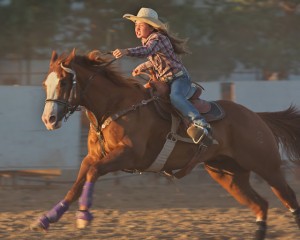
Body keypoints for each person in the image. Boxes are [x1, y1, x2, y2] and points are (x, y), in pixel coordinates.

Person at [112, 7, 211, 144]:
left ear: (151, 28)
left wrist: (126, 51)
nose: (137, 28)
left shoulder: (157, 38)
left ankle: (200, 123)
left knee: (175, 97)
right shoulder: (150, 40)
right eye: (136, 25)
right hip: (166, 80)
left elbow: (148, 51)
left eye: (141, 25)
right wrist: (143, 66)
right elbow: (156, 59)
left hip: (179, 78)